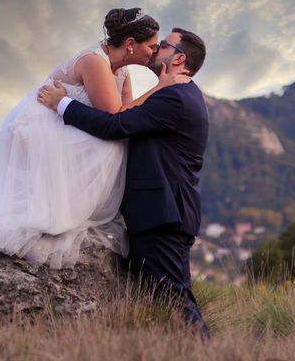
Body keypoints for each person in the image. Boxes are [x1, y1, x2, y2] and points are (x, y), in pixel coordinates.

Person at [0, 8, 189, 269]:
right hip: (42, 125)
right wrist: (159, 88)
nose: (154, 52)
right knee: (110, 148)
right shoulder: (95, 61)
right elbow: (115, 114)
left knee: (119, 142)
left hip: (67, 120)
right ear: (130, 44)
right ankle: (56, 216)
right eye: (151, 46)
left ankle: (73, 213)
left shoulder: (122, 71)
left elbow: (126, 119)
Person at [38, 27, 210, 335]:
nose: (156, 50)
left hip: (163, 215)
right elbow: (126, 116)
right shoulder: (173, 94)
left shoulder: (176, 97)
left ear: (180, 58)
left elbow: (115, 125)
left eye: (164, 47)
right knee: (164, 302)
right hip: (160, 214)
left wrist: (62, 103)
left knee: (173, 301)